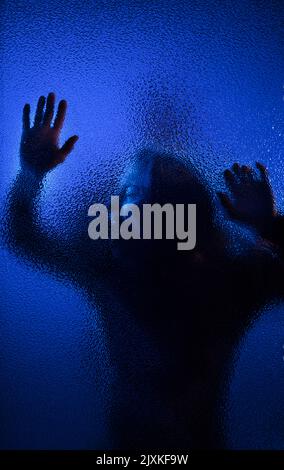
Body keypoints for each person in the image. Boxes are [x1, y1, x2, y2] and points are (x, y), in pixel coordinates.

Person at [4, 93, 284, 448]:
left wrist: (271, 226)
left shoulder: (227, 278)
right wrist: (269, 227)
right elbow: (23, 238)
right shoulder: (123, 272)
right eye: (126, 195)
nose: (123, 207)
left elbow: (24, 238)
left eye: (137, 195)